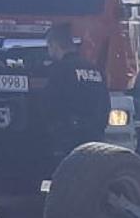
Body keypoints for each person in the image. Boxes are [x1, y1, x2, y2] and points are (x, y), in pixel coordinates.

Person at [41, 22, 110, 161]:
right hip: (95, 137)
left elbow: (50, 104)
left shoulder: (60, 70)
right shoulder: (94, 69)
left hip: (70, 139)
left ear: (54, 45)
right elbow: (105, 104)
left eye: (49, 47)